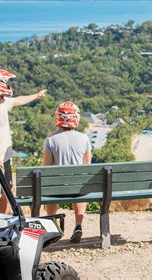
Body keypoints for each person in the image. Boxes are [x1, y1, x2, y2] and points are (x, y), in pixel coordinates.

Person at [0, 68, 47, 213]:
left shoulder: (3, 102)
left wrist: (36, 95)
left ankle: (1, 225)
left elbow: (19, 100)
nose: (7, 86)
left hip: (6, 159)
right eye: (4, 83)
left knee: (8, 194)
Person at [43, 101, 92, 243]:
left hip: (57, 188)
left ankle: (52, 226)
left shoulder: (51, 140)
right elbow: (87, 166)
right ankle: (78, 225)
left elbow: (46, 168)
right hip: (78, 188)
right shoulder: (84, 139)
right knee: (80, 186)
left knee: (50, 187)